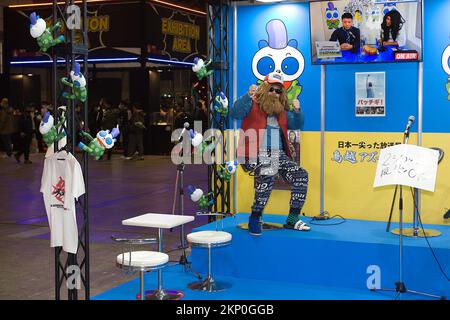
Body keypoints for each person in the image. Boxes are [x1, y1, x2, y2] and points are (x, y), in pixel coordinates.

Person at [230, 72, 310, 236]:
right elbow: (235, 113)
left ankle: (292, 219)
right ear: (265, 88)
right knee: (270, 170)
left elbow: (296, 123)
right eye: (271, 89)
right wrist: (247, 95)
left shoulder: (281, 110)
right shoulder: (252, 103)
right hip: (252, 154)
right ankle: (256, 216)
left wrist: (297, 110)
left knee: (301, 174)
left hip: (277, 155)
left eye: (278, 91)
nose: (274, 93)